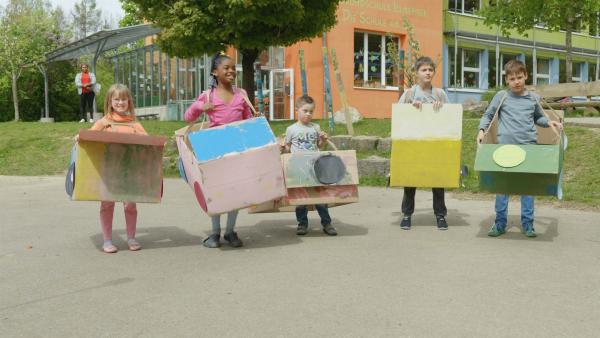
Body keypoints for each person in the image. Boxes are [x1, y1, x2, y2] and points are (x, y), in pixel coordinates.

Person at [477, 59, 563, 238]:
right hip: (504, 150)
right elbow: (489, 114)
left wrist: (549, 122)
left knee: (528, 188)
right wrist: (481, 130)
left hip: (528, 148)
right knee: (503, 188)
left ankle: (528, 224)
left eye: (519, 77)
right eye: (512, 78)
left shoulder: (533, 98)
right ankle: (499, 223)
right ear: (507, 81)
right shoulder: (502, 97)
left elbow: (538, 118)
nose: (516, 81)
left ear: (526, 76)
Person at [185, 53, 254, 248]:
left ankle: (230, 231)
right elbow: (187, 117)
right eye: (226, 68)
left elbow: (248, 119)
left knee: (235, 190)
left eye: (233, 67)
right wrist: (200, 106)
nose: (231, 70)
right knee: (215, 192)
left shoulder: (241, 94)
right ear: (215, 72)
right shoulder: (207, 96)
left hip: (237, 148)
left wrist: (254, 123)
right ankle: (215, 233)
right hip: (213, 150)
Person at [87, 84, 147, 253]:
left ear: (129, 101)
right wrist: (80, 137)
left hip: (130, 171)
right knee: (107, 204)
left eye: (124, 99)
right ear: (110, 101)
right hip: (108, 171)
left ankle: (131, 237)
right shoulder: (103, 122)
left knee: (130, 205)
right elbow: (89, 137)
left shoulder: (135, 124)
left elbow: (148, 143)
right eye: (117, 99)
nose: (120, 102)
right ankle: (107, 240)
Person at [397, 56, 450, 230]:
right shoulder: (409, 93)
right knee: (410, 180)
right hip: (414, 144)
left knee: (437, 179)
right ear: (416, 73)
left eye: (430, 70)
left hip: (435, 143)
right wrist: (410, 108)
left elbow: (449, 117)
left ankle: (440, 215)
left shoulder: (440, 94)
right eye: (424, 70)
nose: (427, 73)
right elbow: (398, 116)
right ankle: (406, 214)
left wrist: (440, 108)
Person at [284, 95, 337, 236]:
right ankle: (302, 224)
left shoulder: (316, 127)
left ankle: (327, 223)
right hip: (298, 167)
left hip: (315, 167)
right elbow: (288, 148)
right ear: (297, 110)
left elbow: (319, 146)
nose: (308, 114)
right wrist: (282, 149)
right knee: (301, 198)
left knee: (320, 197)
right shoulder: (291, 129)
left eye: (311, 111)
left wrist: (323, 140)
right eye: (305, 110)